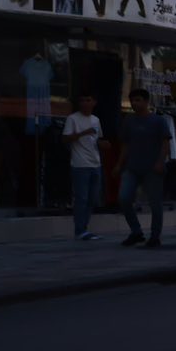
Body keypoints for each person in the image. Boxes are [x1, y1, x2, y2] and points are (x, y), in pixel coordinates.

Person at [117, 88, 173, 248]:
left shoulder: (158, 121)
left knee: (155, 203)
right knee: (124, 198)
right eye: (133, 100)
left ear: (146, 102)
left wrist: (160, 162)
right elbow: (125, 145)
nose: (135, 103)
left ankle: (155, 236)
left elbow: (165, 143)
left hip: (152, 168)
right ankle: (136, 232)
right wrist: (119, 164)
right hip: (132, 167)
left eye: (138, 100)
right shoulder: (129, 120)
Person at [63, 92, 104, 240]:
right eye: (82, 100)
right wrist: (83, 133)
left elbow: (97, 140)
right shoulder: (72, 119)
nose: (85, 103)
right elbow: (66, 139)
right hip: (80, 165)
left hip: (95, 163)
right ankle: (79, 230)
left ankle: (84, 228)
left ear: (94, 102)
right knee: (81, 198)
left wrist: (103, 144)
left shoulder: (96, 120)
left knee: (92, 198)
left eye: (88, 100)